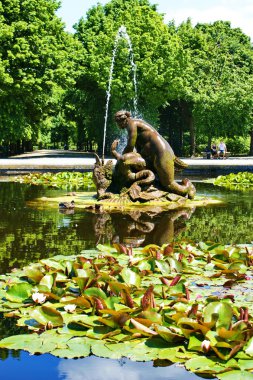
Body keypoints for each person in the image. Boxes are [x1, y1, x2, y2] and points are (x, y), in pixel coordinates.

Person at [114, 110, 196, 199]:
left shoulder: (131, 123)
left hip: (162, 153)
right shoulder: (133, 125)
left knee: (168, 184)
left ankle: (188, 186)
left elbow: (130, 146)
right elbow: (136, 151)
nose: (117, 126)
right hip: (152, 156)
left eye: (117, 123)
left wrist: (120, 159)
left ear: (122, 121)